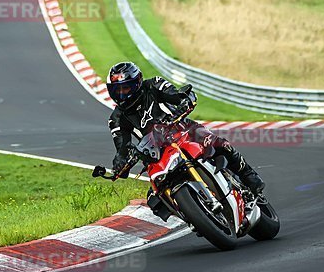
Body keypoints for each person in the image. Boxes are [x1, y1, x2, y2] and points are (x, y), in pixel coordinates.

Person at [106, 61, 266, 194]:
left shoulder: (154, 84)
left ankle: (247, 174)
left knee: (219, 143)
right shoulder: (116, 119)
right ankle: (190, 214)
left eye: (125, 88)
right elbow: (122, 148)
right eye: (117, 90)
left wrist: (183, 103)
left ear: (137, 83)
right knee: (154, 196)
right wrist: (119, 164)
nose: (121, 94)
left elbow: (177, 95)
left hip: (181, 130)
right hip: (155, 154)